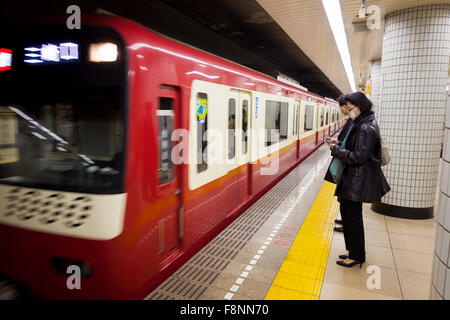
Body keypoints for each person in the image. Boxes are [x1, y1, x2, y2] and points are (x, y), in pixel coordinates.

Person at [328, 92, 390, 268]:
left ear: (359, 106)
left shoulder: (365, 127)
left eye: (350, 107)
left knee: (353, 218)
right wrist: (338, 144)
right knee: (349, 217)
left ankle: (356, 255)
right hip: (353, 178)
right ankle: (352, 251)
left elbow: (358, 156)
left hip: (356, 180)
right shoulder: (363, 123)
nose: (348, 110)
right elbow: (355, 148)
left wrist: (336, 150)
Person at [324, 95, 351, 234]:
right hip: (346, 167)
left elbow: (356, 153)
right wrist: (338, 143)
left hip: (350, 169)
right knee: (344, 199)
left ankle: (348, 224)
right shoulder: (354, 121)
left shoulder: (360, 124)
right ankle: (346, 221)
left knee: (349, 204)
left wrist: (336, 149)